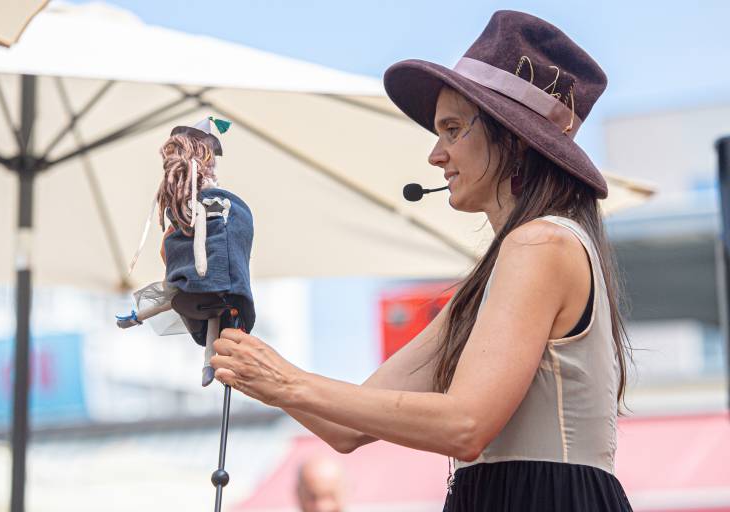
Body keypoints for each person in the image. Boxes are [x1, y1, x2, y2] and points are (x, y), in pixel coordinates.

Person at [209, 10, 633, 511]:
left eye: (452, 129)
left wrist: (286, 380)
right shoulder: (502, 271)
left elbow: (466, 426)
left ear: (515, 139)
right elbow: (345, 428)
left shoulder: (540, 243)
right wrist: (229, 335)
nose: (436, 154)